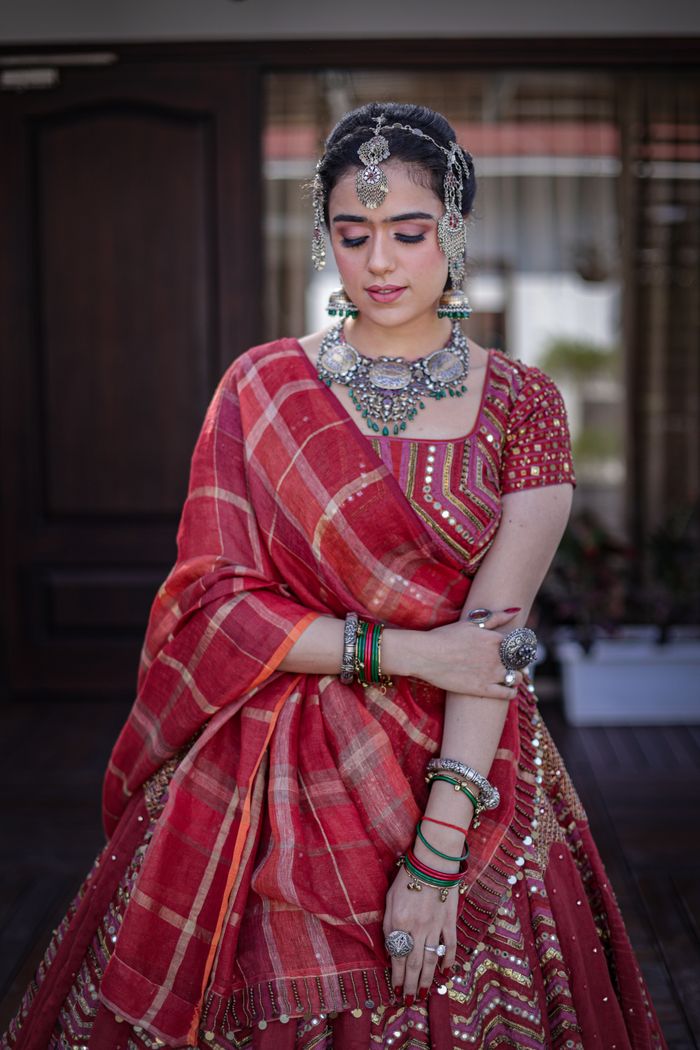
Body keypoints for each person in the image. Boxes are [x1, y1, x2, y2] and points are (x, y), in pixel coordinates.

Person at [3, 102, 665, 1050]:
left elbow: (490, 650)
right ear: (327, 243)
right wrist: (410, 651)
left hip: (459, 765)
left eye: (409, 231)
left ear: (456, 231)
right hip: (260, 772)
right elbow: (216, 606)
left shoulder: (523, 403)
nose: (382, 263)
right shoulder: (261, 386)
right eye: (354, 236)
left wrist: (437, 857)